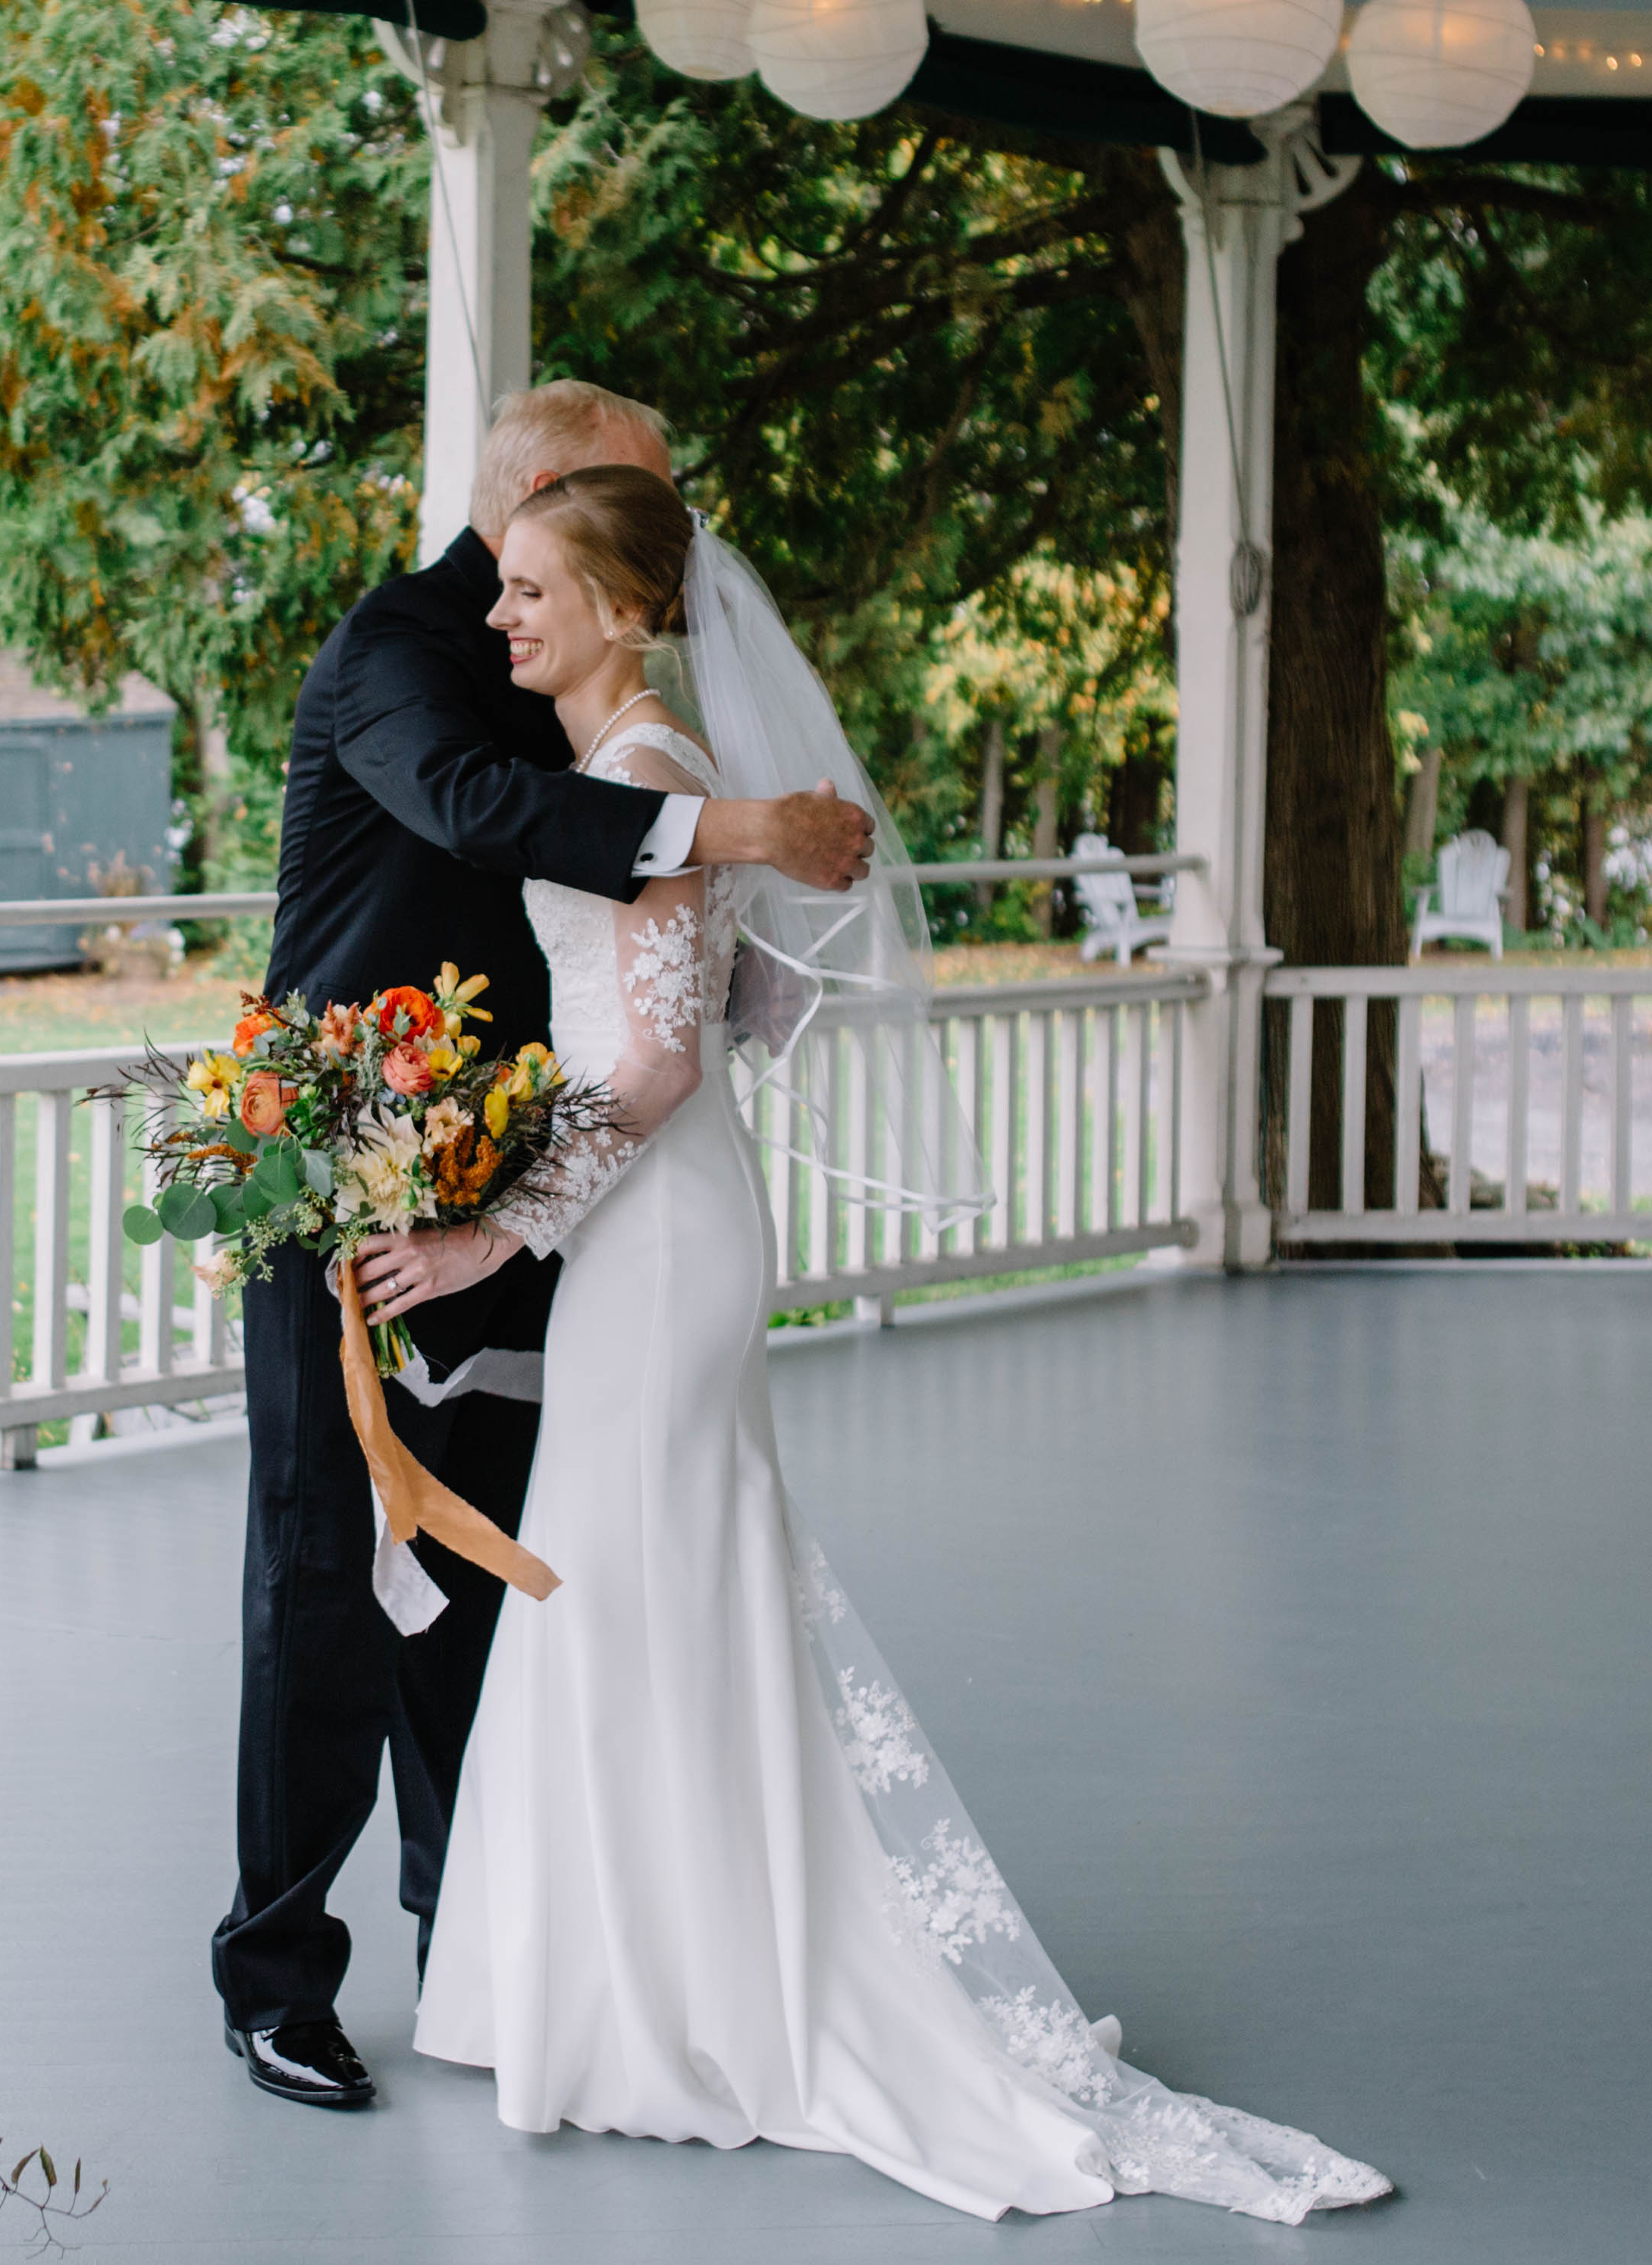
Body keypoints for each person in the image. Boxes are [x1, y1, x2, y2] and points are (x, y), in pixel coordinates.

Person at [359, 463, 1391, 2224]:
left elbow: (666, 1064)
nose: (501, 613)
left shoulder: (648, 776)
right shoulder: (648, 785)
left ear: (623, 609)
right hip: (654, 1221)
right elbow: (739, 1006)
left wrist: (481, 1233)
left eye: (533, 588)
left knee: (640, 1573)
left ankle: (688, 2002)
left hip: (656, 1235)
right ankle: (621, 1986)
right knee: (625, 1581)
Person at [214, 381, 875, 2113]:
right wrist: (738, 834)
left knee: (492, 1562)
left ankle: (488, 1939)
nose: (658, 554)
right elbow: (470, 817)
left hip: (530, 1187)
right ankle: (276, 1974)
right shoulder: (401, 652)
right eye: (614, 508)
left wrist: (733, 950)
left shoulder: (595, 694)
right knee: (321, 1562)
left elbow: (640, 967)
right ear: (527, 499)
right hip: (350, 1173)